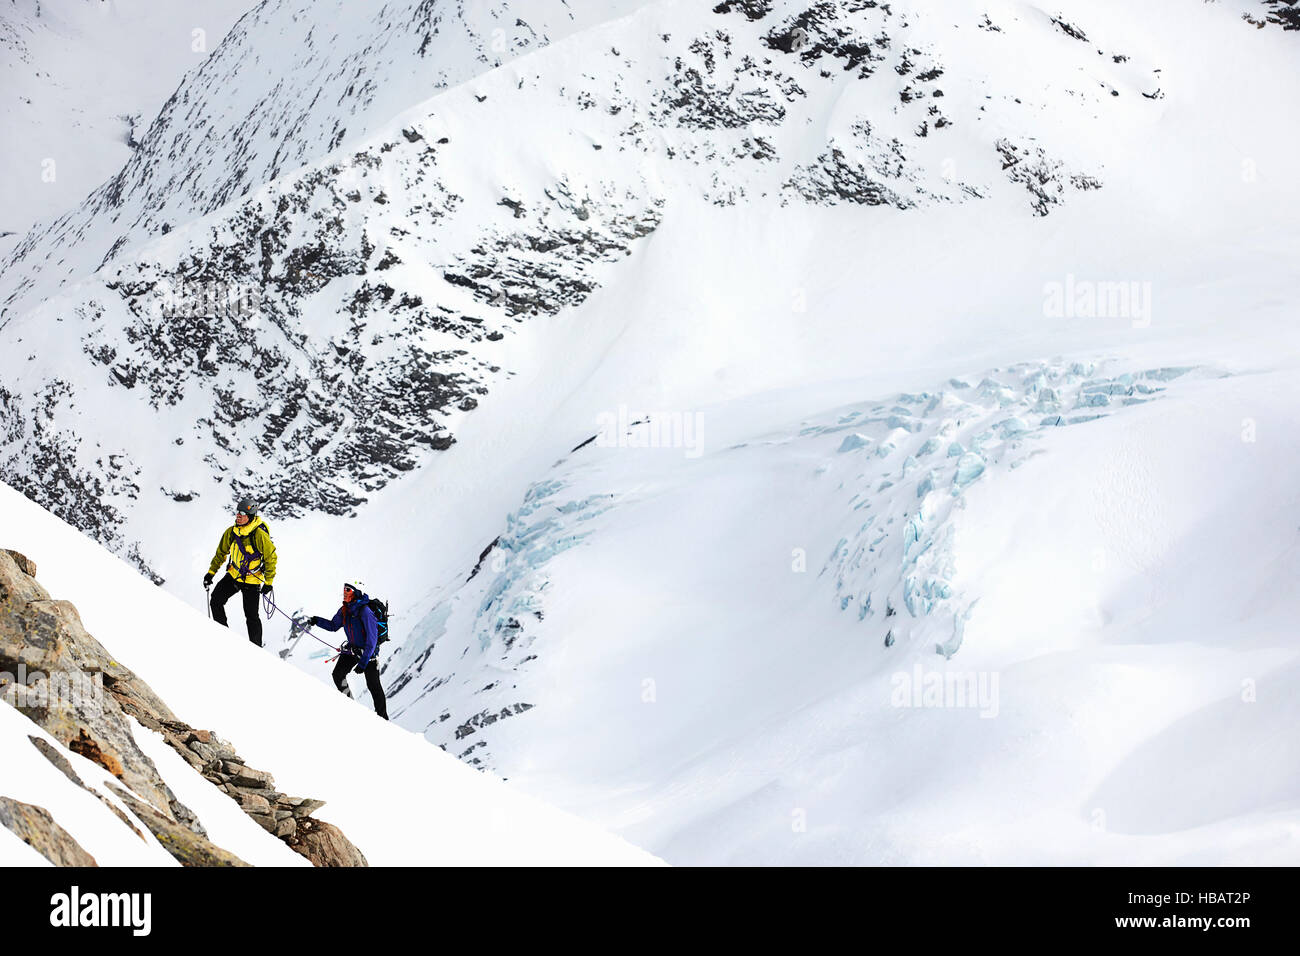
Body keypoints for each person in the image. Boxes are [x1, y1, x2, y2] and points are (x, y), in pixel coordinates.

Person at [304, 581, 388, 720]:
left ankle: (383, 719)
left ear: (357, 592)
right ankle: (350, 705)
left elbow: (372, 641)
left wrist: (363, 663)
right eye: (344, 589)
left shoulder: (365, 612)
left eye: (348, 590)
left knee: (373, 686)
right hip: (352, 649)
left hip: (368, 654)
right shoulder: (345, 610)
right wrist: (316, 620)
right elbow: (333, 625)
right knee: (338, 674)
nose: (344, 592)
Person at [203, 498, 277, 647]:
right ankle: (223, 634)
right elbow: (221, 553)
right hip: (233, 575)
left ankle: (256, 648)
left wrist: (268, 583)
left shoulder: (259, 535)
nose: (238, 515)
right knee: (216, 600)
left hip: (252, 581)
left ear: (250, 516)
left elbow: (271, 558)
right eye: (237, 512)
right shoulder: (231, 532)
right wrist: (211, 572)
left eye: (242, 513)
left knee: (251, 617)